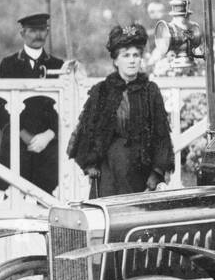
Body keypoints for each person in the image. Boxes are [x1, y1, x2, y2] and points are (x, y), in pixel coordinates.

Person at [67, 24, 174, 196]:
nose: (132, 60)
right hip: (109, 170)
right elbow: (86, 130)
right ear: (116, 61)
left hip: (141, 171)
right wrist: (90, 164)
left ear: (141, 59)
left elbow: (161, 136)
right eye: (126, 56)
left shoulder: (150, 91)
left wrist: (157, 173)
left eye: (136, 55)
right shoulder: (102, 91)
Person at [0, 13, 65, 196]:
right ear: (22, 33)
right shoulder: (8, 65)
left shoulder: (58, 65)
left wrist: (50, 134)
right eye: (32, 30)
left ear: (47, 32)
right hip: (17, 141)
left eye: (42, 30)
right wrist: (23, 134)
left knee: (49, 201)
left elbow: (65, 105)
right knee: (10, 200)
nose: (38, 35)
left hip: (48, 145)